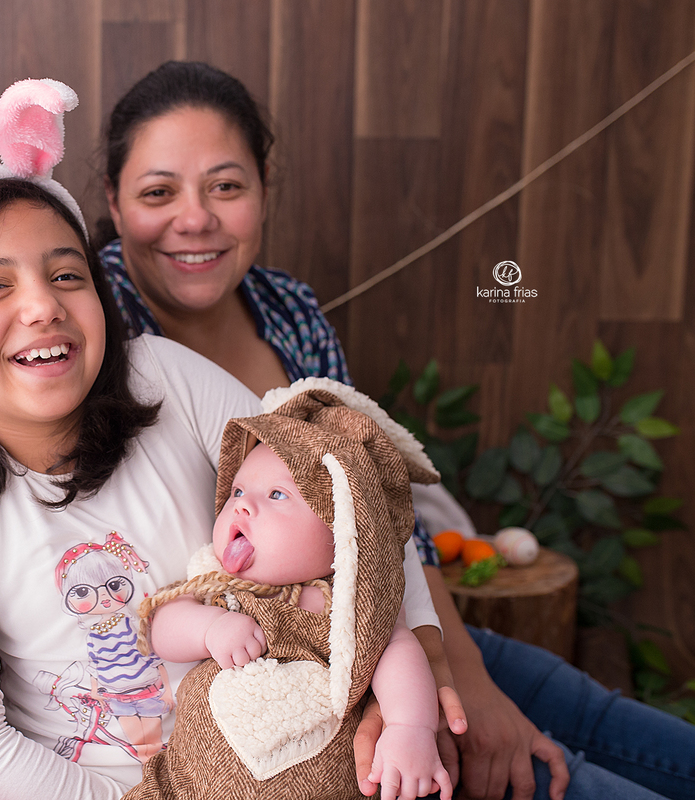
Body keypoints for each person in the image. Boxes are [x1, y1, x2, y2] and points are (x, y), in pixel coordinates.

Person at [0, 80, 446, 800]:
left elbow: (348, 490)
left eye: (65, 274)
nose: (42, 305)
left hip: (291, 762)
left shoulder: (162, 375)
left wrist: (420, 679)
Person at [97, 59, 695, 800]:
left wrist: (455, 675)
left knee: (621, 728)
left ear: (264, 184)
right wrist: (393, 703)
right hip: (284, 685)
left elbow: (380, 511)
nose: (196, 219)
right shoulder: (91, 334)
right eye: (158, 193)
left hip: (397, 631)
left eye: (226, 186)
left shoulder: (286, 311)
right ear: (114, 204)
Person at [129, 380, 452, 800]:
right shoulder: (217, 586)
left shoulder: (348, 605)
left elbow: (399, 654)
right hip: (190, 784)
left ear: (344, 531)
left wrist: (411, 728)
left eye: (278, 495)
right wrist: (209, 628)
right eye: (238, 491)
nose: (242, 505)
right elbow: (162, 628)